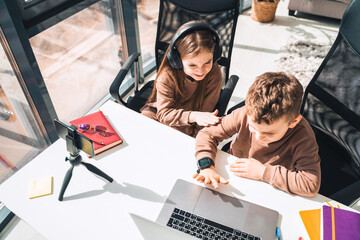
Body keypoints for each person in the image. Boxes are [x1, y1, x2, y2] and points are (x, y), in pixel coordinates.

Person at [193, 72, 321, 197]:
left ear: (294, 122)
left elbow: (310, 184)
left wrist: (263, 172)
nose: (259, 136)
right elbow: (207, 134)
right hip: (233, 174)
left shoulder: (304, 137)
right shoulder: (245, 113)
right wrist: (206, 166)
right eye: (253, 128)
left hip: (270, 188)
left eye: (269, 133)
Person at [140, 21, 223, 137]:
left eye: (207, 62)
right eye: (192, 65)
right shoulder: (167, 76)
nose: (201, 70)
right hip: (160, 113)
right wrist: (192, 116)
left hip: (190, 122)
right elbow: (163, 114)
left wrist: (196, 136)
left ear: (215, 55)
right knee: (140, 130)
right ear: (177, 60)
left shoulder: (214, 73)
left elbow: (205, 116)